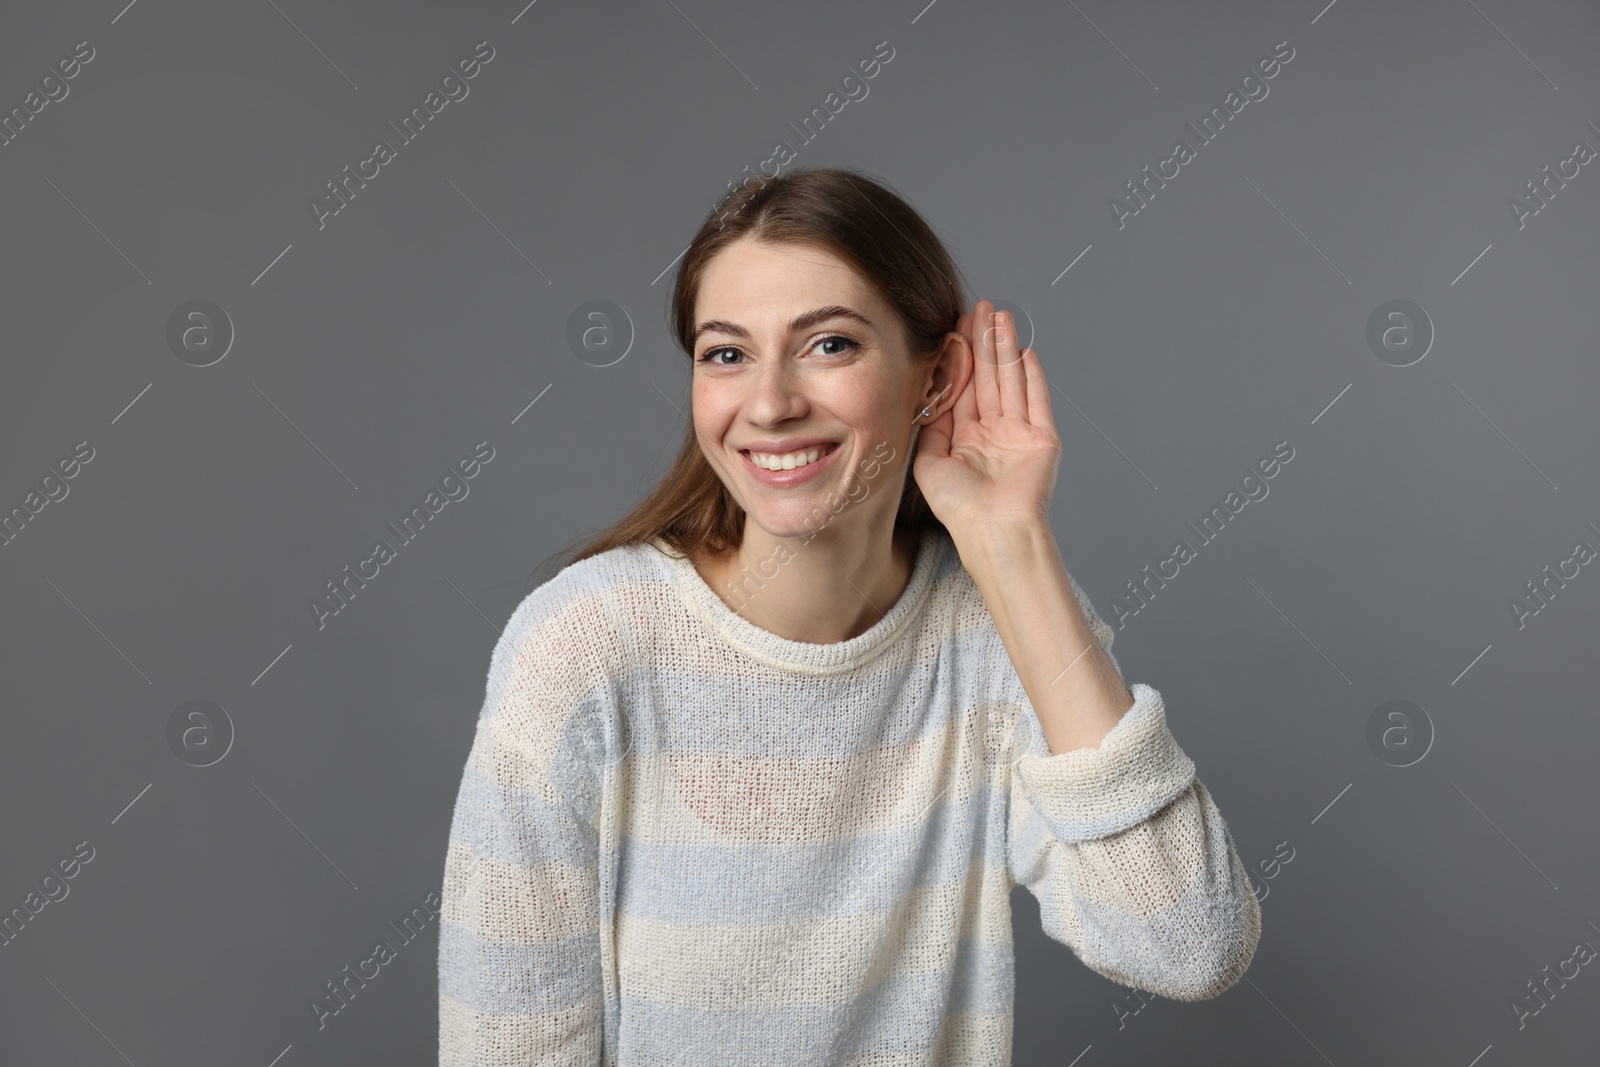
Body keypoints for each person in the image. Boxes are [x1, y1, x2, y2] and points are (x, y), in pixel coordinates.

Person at [438, 167, 1260, 1065]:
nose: (769, 404)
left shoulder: (995, 630)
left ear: (935, 375)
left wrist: (1012, 543)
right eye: (726, 353)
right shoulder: (585, 645)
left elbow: (1189, 942)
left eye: (828, 344)